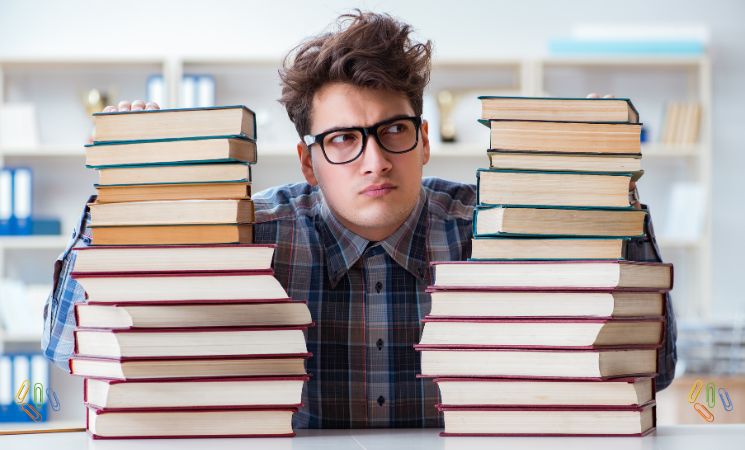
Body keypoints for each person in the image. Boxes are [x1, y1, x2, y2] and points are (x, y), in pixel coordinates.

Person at [42, 10, 676, 428]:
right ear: (310, 161)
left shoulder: (500, 232)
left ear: (423, 140)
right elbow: (67, 344)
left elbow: (655, 365)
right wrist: (129, 201)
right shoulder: (249, 237)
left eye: (392, 131)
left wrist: (600, 197)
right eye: (344, 139)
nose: (374, 160)